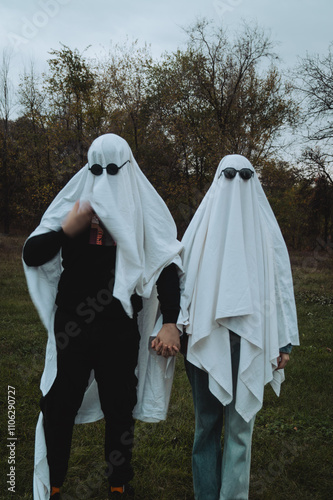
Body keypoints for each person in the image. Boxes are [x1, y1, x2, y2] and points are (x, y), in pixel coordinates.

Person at [23, 133, 183, 500]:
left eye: (113, 169)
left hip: (118, 325)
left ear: (127, 168)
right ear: (88, 168)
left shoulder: (142, 206)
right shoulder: (74, 204)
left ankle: (118, 485)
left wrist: (171, 321)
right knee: (60, 404)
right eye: (97, 169)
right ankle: (55, 486)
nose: (104, 177)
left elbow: (166, 263)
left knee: (119, 405)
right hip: (73, 322)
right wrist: (67, 229)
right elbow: (33, 252)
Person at [176, 154, 299, 500]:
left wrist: (284, 343)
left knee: (241, 427)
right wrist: (174, 324)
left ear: (254, 181)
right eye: (229, 174)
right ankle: (206, 493)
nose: (237, 182)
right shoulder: (200, 230)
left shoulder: (266, 232)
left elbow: (280, 287)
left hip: (252, 340)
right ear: (218, 179)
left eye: (245, 175)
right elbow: (180, 280)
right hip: (204, 338)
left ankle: (233, 496)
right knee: (207, 424)